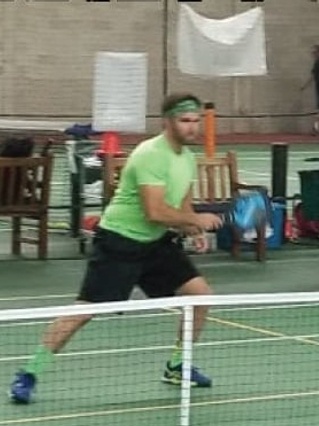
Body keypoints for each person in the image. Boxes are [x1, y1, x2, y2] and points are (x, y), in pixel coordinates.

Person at [8, 93, 224, 405]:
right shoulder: (151, 154)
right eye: (185, 121)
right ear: (167, 122)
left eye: (196, 121)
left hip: (155, 243)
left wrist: (193, 229)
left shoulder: (187, 159)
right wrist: (196, 219)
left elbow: (181, 206)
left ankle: (178, 365)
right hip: (119, 241)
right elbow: (155, 211)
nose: (192, 128)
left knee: (200, 295)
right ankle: (29, 372)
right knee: (84, 311)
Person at [300, 44, 319, 136]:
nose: (313, 54)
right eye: (313, 53)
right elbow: (313, 76)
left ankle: (316, 128)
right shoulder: (316, 64)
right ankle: (316, 128)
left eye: (315, 52)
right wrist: (305, 86)